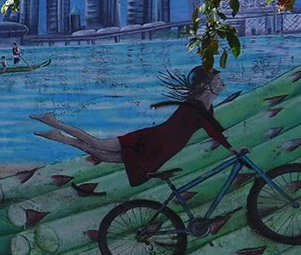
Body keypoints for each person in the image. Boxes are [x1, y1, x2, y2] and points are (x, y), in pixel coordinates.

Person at [31, 65, 246, 186]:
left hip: (160, 149)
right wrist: (233, 149)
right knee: (99, 145)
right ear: (205, 85)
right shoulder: (197, 107)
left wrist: (232, 149)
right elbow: (214, 131)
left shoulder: (204, 108)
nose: (223, 84)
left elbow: (213, 131)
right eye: (218, 80)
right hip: (152, 142)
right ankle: (54, 122)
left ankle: (57, 135)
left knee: (105, 155)